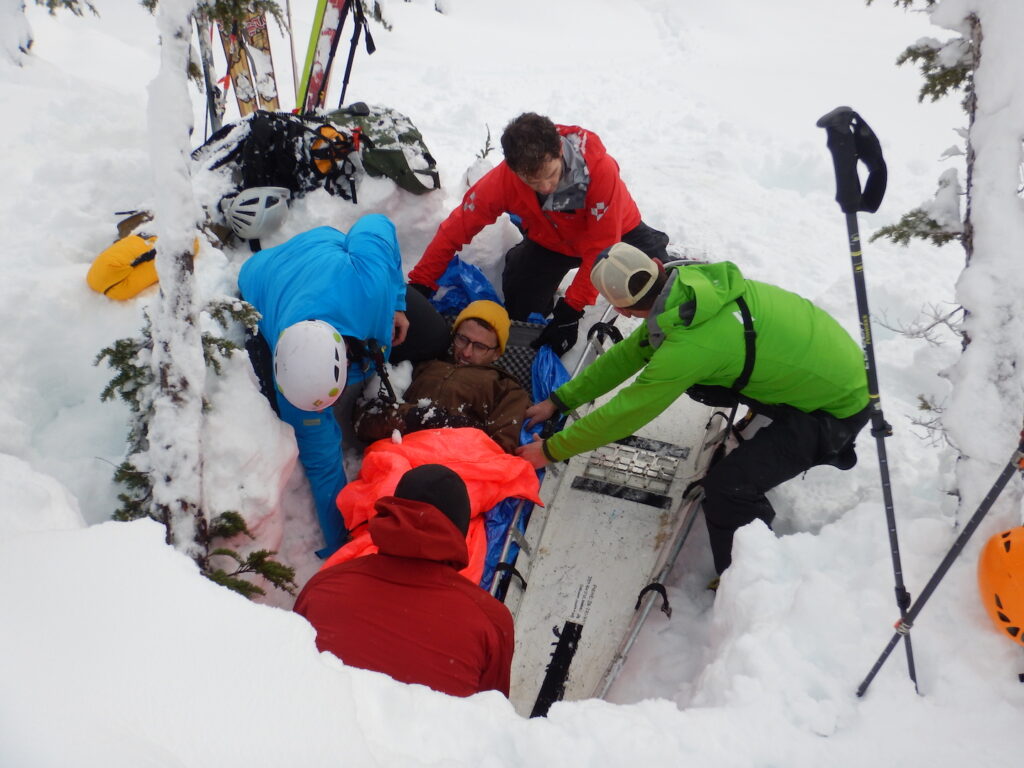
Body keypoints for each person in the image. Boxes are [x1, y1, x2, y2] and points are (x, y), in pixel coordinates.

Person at [516, 243, 871, 575]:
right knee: (705, 379)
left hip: (837, 409)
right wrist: (560, 400)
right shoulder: (690, 289)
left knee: (726, 489)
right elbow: (630, 354)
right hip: (837, 364)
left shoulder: (690, 346)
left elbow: (628, 411)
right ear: (657, 266)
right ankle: (774, 410)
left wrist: (551, 450)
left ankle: (749, 577)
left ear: (622, 310)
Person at [238, 214, 432, 558]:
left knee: (434, 335)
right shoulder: (293, 382)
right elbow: (321, 465)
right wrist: (344, 543)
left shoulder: (367, 281)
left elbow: (377, 223)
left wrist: (397, 303)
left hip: (329, 252)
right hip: (267, 272)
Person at [407, 112, 670, 356]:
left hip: (617, 234)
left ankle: (661, 253)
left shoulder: (599, 170)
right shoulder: (503, 180)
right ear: (514, 169)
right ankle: (521, 262)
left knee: (660, 287)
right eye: (533, 182)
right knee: (520, 307)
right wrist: (422, 281)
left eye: (552, 175)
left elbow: (602, 249)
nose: (546, 187)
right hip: (552, 241)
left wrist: (571, 310)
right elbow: (456, 227)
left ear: (559, 151)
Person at [293, 464, 515, 698]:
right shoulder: (488, 621)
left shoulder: (323, 587)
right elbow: (494, 716)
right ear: (459, 531)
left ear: (391, 514)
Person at [354, 299, 530, 453]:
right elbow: (362, 422)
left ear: (497, 353)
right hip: (392, 455)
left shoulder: (507, 389)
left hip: (448, 472)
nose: (467, 352)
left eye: (480, 347)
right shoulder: (423, 366)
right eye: (462, 339)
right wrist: (410, 417)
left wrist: (456, 428)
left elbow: (499, 451)